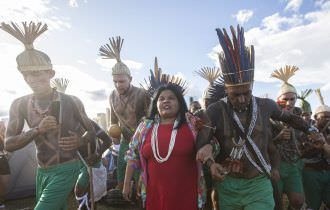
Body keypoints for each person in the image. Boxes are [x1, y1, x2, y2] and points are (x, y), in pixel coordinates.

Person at [195, 25, 319, 210]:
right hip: (228, 184)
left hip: (258, 182)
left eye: (246, 92)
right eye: (235, 95)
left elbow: (290, 119)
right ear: (227, 90)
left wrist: (311, 129)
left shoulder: (265, 105)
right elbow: (201, 143)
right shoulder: (215, 110)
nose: (242, 99)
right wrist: (211, 164)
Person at [1, 21, 95, 210]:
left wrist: (80, 141)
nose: (31, 79)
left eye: (36, 73)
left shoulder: (72, 101)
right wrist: (37, 130)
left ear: (51, 73)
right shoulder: (19, 104)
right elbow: (8, 143)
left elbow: (92, 132)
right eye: (25, 75)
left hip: (68, 168)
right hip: (42, 172)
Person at [123, 60, 205, 210]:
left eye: (171, 98)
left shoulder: (193, 124)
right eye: (161, 99)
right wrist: (127, 184)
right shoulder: (144, 127)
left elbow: (210, 145)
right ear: (156, 104)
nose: (166, 101)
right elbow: (132, 156)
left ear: (180, 102)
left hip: (187, 196)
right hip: (155, 196)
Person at [99, 37, 150, 191]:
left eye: (121, 81)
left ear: (130, 79)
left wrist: (143, 135)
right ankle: (123, 195)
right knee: (122, 167)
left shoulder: (142, 94)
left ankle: (142, 196)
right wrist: (113, 132)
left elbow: (152, 118)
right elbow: (113, 122)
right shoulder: (112, 96)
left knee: (141, 170)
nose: (118, 85)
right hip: (125, 139)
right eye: (115, 81)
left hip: (143, 139)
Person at [270, 65, 305, 210]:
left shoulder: (300, 120)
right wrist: (277, 138)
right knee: (276, 202)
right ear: (278, 100)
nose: (290, 102)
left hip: (292, 164)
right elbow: (261, 143)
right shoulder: (269, 118)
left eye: (293, 99)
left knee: (298, 201)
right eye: (286, 99)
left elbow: (306, 138)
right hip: (274, 164)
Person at [301, 88, 330, 210]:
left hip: (327, 173)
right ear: (316, 117)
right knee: (313, 204)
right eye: (325, 117)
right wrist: (314, 147)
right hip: (311, 173)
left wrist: (324, 145)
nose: (328, 119)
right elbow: (300, 154)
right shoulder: (306, 132)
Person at [75, 120, 112, 209]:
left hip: (92, 165)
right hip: (79, 164)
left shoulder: (89, 123)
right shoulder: (66, 124)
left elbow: (108, 140)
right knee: (87, 195)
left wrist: (97, 155)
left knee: (82, 191)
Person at [0, 121, 10, 209]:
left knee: (5, 183)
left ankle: (2, 200)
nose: (4, 127)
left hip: (3, 161)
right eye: (2, 126)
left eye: (4, 125)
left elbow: (6, 149)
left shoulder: (5, 136)